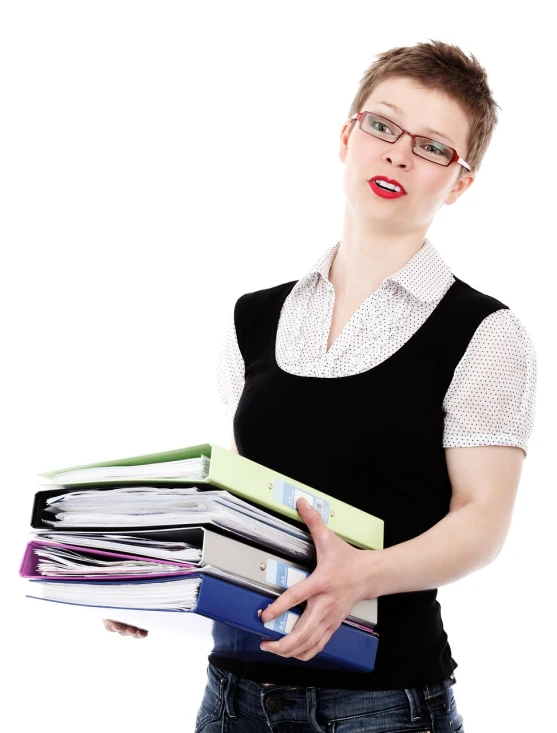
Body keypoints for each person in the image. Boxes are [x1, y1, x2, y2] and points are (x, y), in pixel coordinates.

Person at [104, 39, 537, 732]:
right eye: (382, 125)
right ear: (347, 135)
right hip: (233, 695)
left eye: (432, 147)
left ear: (459, 183)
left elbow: (481, 522)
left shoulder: (483, 331)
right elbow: (250, 509)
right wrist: (160, 578)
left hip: (382, 704)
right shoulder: (254, 317)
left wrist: (361, 575)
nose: (397, 153)